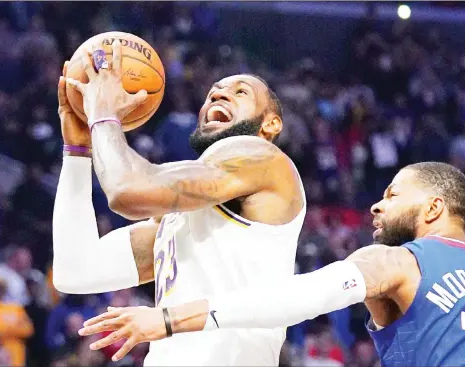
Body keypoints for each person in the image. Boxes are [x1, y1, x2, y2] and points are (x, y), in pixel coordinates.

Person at [79, 162, 465, 367]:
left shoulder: (401, 261)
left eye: (393, 195)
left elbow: (301, 295)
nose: (377, 204)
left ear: (433, 207)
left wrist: (170, 318)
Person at [52, 39, 306, 366]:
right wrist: (77, 151)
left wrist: (103, 112)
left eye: (241, 92)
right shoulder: (181, 218)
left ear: (270, 124)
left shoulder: (264, 159)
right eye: (213, 91)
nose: (219, 94)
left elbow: (126, 191)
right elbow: (76, 270)